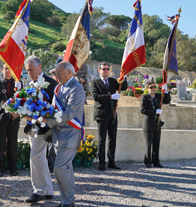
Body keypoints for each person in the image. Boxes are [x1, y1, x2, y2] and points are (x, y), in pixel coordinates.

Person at [42, 61, 85, 207]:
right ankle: (67, 200)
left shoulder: (77, 89)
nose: (56, 76)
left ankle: (67, 202)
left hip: (70, 135)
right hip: (58, 134)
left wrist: (46, 119)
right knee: (66, 169)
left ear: (69, 73)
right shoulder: (60, 87)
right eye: (55, 73)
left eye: (59, 73)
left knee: (59, 168)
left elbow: (69, 114)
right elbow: (55, 109)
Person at [24, 56, 58, 204]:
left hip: (44, 127)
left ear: (39, 67)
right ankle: (48, 190)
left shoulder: (51, 84)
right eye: (27, 71)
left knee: (35, 156)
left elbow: (55, 107)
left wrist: (43, 117)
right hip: (32, 126)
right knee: (40, 158)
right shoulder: (29, 84)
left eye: (31, 69)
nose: (29, 73)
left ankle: (38, 190)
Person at [91, 62, 128, 171]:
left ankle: (111, 162)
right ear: (99, 70)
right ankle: (102, 163)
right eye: (103, 69)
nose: (105, 71)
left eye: (107, 69)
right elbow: (96, 96)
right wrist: (110, 96)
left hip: (112, 113)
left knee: (113, 139)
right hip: (101, 115)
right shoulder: (95, 82)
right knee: (102, 140)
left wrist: (124, 78)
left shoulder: (112, 81)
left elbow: (123, 87)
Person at [0, 64, 23, 177]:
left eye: (10, 68)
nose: (8, 71)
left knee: (13, 143)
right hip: (1, 117)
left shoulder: (18, 83)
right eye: (6, 68)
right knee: (0, 143)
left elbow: (22, 100)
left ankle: (12, 166)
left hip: (14, 117)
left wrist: (20, 88)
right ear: (2, 70)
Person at [140, 79, 171, 168]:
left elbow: (167, 101)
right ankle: (148, 162)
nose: (153, 89)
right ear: (147, 88)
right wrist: (155, 111)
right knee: (148, 144)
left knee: (156, 143)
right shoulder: (144, 97)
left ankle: (156, 161)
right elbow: (143, 110)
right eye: (151, 87)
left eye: (154, 87)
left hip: (157, 123)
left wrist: (166, 91)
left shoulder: (158, 96)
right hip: (148, 124)